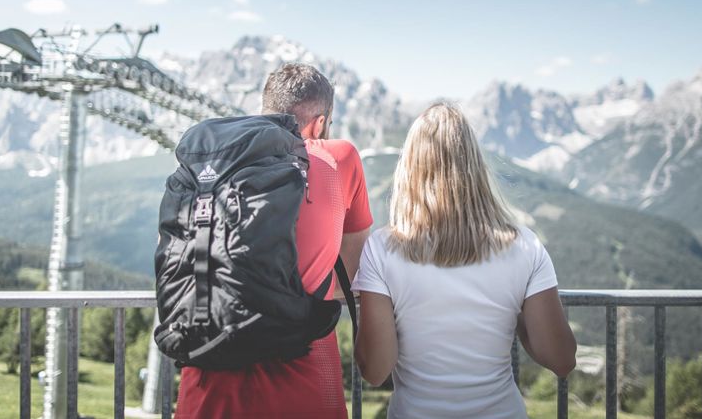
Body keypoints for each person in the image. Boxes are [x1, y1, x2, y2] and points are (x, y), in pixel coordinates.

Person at [352, 102, 576, 418]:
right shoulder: (524, 246)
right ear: (475, 166)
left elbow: (374, 370)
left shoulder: (382, 249)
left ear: (409, 169)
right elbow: (562, 359)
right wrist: (520, 317)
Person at [174, 63, 373, 419]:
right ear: (320, 123)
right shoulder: (337, 156)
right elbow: (352, 267)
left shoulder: (215, 164)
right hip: (304, 374)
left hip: (207, 373)